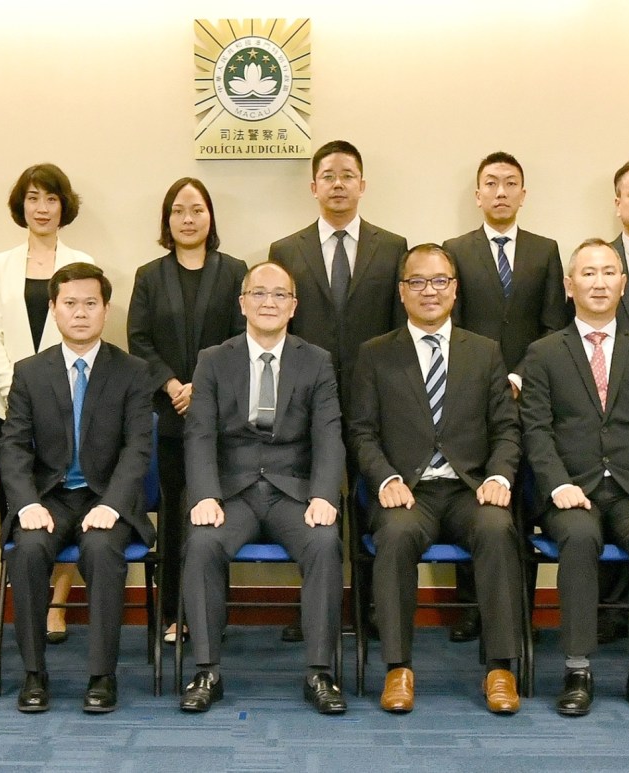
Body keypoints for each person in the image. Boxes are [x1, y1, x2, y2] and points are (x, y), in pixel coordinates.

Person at [349, 243, 523, 715]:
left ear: (455, 288)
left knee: (497, 528)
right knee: (395, 535)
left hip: (469, 488)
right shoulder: (375, 354)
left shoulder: (484, 351)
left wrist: (500, 476)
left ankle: (500, 668)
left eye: (440, 281)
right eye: (418, 282)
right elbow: (361, 431)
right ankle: (398, 668)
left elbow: (507, 429)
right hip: (408, 491)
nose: (430, 291)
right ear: (402, 291)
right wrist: (385, 478)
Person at [520, 239, 629, 716]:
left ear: (623, 285)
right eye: (588, 273)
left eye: (609, 272)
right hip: (571, 490)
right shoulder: (543, 353)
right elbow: (535, 429)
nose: (599, 282)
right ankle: (577, 670)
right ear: (569, 286)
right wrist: (557, 484)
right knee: (579, 537)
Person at [180, 262, 347, 715]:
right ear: (242, 303)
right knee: (202, 543)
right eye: (258, 293)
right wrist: (205, 494)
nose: (268, 302)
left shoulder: (317, 360)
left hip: (293, 492)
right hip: (231, 493)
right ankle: (206, 671)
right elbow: (199, 433)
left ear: (293, 306)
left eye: (279, 295)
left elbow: (328, 434)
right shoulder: (214, 359)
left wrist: (324, 494)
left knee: (325, 542)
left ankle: (320, 672)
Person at [0, 262, 154, 714]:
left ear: (106, 309)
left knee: (102, 551)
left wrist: (113, 504)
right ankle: (34, 673)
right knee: (28, 550)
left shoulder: (133, 371)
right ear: (54, 309)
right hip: (48, 497)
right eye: (70, 303)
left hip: (105, 497)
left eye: (90, 303)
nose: (80, 313)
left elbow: (137, 449)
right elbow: (12, 445)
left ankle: (102, 675)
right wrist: (26, 503)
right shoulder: (29, 372)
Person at [269, 139, 408, 642]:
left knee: (371, 500)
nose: (338, 184)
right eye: (328, 176)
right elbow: (280, 328)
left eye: (348, 175)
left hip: (374, 396)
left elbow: (398, 330)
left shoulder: (392, 247)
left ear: (362, 185)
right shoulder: (287, 251)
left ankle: (370, 606)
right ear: (313, 186)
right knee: (309, 499)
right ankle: (312, 607)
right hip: (306, 397)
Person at [442, 151, 569, 643]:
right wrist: (491, 380)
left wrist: (519, 375)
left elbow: (553, 325)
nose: (500, 191)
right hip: (470, 397)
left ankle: (521, 609)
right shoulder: (456, 249)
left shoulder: (545, 249)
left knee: (522, 502)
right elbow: (450, 327)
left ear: (523, 194)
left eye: (510, 183)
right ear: (478, 195)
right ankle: (471, 608)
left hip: (533, 394)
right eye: (491, 183)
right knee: (473, 492)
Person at [127, 178, 247, 645]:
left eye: (197, 209)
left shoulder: (234, 271)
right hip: (168, 415)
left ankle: (211, 613)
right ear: (167, 219)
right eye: (178, 210)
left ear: (210, 217)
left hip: (221, 415)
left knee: (214, 514)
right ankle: (174, 613)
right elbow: (139, 339)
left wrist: (202, 385)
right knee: (176, 517)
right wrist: (174, 384)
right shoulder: (149, 275)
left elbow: (242, 336)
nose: (188, 219)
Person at [0, 163, 93, 644]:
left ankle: (57, 603)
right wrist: (14, 389)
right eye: (32, 198)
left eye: (50, 198)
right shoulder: (1, 264)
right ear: (21, 205)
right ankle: (28, 601)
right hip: (8, 404)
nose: (42, 208)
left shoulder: (81, 260)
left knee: (68, 493)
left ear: (63, 206)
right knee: (24, 501)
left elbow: (84, 331)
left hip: (67, 405)